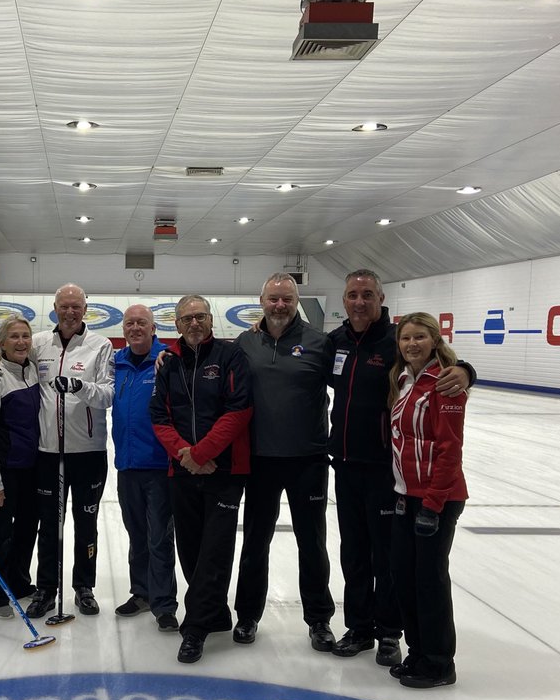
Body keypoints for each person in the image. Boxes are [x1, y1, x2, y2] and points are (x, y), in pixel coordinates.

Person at [328, 269, 473, 668]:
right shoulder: (336, 341)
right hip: (344, 465)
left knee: (388, 558)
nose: (360, 302)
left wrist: (465, 371)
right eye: (353, 295)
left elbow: (437, 360)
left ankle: (390, 631)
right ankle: (359, 627)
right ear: (344, 299)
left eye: (367, 295)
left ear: (380, 297)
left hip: (385, 472)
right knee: (353, 552)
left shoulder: (394, 340)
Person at [232, 273, 335, 652]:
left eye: (287, 299)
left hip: (307, 460)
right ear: (261, 300)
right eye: (273, 299)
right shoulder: (245, 343)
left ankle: (320, 620)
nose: (280, 306)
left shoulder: (320, 343)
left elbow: (360, 382)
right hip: (260, 460)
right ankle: (247, 614)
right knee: (255, 542)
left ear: (296, 301)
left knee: (313, 543)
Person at [151, 295, 253, 664]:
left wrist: (203, 453)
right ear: (176, 325)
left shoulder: (230, 356)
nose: (194, 323)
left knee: (215, 548)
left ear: (211, 321)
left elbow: (238, 409)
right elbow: (159, 416)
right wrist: (186, 455)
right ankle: (216, 613)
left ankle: (194, 627)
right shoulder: (170, 363)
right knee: (190, 548)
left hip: (225, 471)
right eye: (187, 318)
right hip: (183, 470)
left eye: (201, 316)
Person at [387, 312, 468, 688]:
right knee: (406, 579)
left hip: (437, 498)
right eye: (405, 338)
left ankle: (439, 663)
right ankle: (417, 652)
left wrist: (433, 504)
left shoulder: (446, 384)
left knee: (430, 582)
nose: (412, 345)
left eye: (420, 337)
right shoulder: (403, 380)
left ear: (435, 340)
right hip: (406, 494)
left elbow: (451, 451)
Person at [25, 283, 114, 619]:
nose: (70, 313)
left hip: (88, 451)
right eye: (65, 306)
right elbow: (16, 371)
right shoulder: (38, 344)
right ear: (55, 308)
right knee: (49, 524)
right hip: (48, 451)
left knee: (85, 523)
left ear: (85, 309)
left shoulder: (100, 346)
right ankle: (47, 588)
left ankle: (84, 586)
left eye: (76, 306)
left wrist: (80, 386)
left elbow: (108, 395)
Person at [111, 305, 179, 632]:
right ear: (123, 329)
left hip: (159, 467)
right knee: (137, 535)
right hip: (127, 465)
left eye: (142, 323)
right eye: (130, 323)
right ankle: (141, 592)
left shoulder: (167, 359)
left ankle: (164, 603)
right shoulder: (117, 363)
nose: (135, 328)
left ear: (154, 328)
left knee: (159, 538)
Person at [0, 316, 42, 617]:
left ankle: (17, 582)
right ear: (0, 344)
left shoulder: (35, 371)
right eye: (13, 337)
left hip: (33, 467)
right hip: (6, 469)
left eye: (25, 336)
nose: (21, 342)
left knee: (27, 529)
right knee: (0, 534)